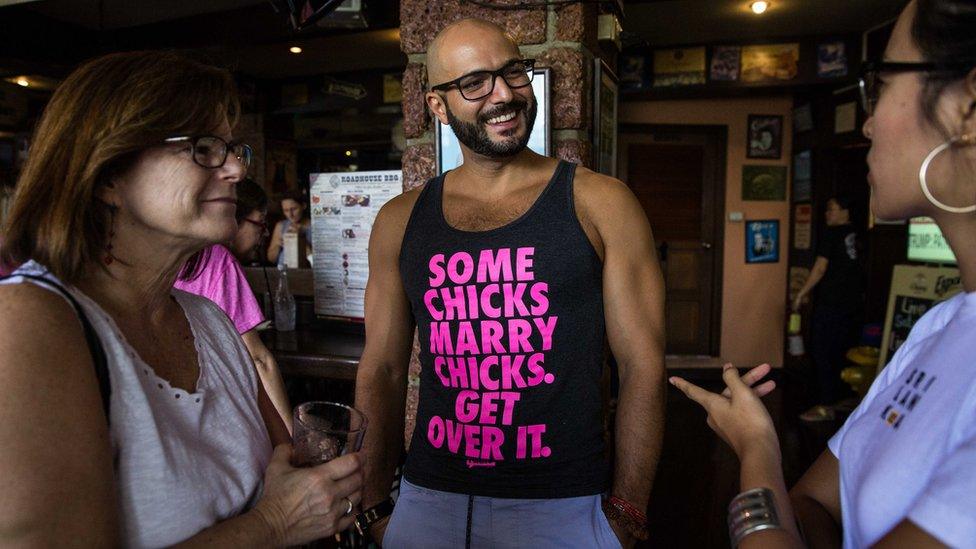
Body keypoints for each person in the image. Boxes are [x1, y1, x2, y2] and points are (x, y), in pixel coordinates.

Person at [0, 51, 361, 546]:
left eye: (234, 150)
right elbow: (285, 510)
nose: (235, 168)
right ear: (108, 174)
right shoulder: (30, 320)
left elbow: (295, 478)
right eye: (203, 147)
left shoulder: (209, 321)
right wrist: (273, 525)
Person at [671, 1, 976, 546]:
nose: (868, 118)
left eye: (880, 84)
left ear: (970, 109)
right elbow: (812, 502)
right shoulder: (939, 327)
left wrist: (757, 451)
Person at [354, 18, 666, 548]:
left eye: (513, 72)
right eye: (474, 83)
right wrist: (373, 502)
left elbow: (643, 365)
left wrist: (627, 513)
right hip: (428, 500)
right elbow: (382, 368)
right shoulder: (399, 220)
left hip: (564, 506)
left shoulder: (601, 202)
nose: (503, 95)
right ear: (437, 105)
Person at [174, 177, 293, 431]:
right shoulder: (217, 260)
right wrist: (292, 438)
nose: (264, 233)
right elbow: (258, 360)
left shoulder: (178, 255)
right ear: (233, 218)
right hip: (219, 413)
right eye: (260, 223)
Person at [793, 196, 866, 421]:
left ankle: (826, 406)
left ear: (846, 211)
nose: (827, 214)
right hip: (853, 304)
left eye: (831, 209)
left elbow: (820, 268)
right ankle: (844, 400)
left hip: (832, 303)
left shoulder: (832, 234)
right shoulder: (858, 235)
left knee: (823, 351)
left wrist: (801, 294)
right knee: (843, 350)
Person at [267, 189, 311, 267]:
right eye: (286, 210)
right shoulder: (281, 226)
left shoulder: (313, 227)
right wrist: (278, 245)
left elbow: (318, 261)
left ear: (304, 206)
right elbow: (271, 259)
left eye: (294, 209)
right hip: (283, 271)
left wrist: (300, 239)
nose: (290, 215)